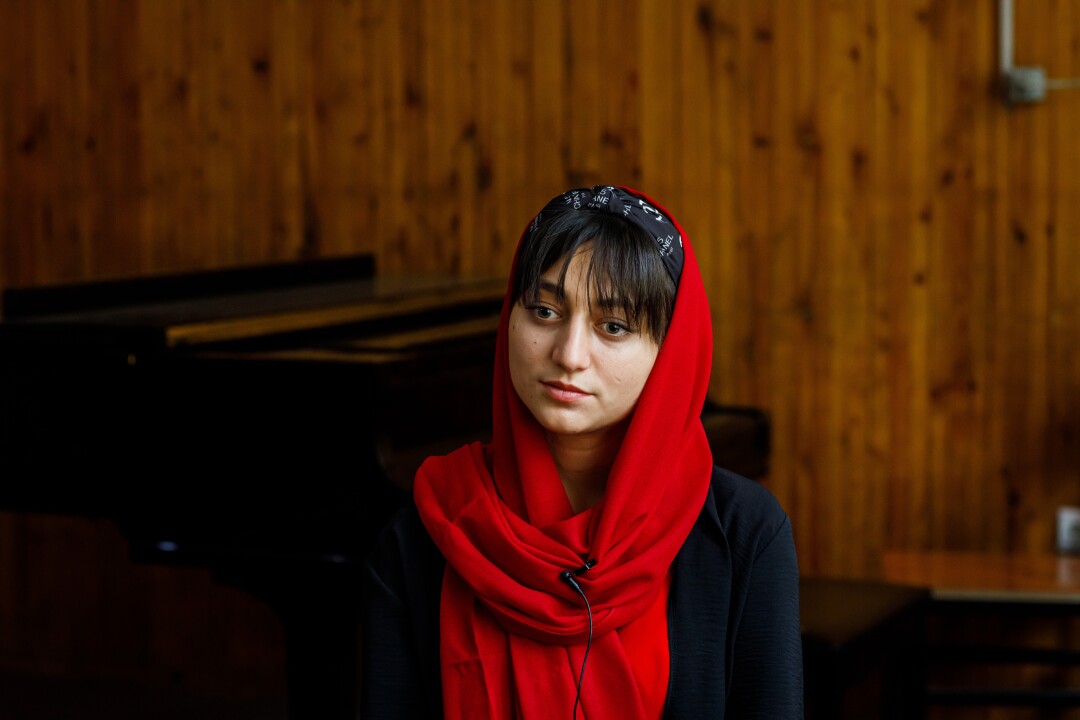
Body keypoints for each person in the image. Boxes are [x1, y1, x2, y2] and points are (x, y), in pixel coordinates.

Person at [362, 185, 802, 719]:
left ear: (672, 351)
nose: (569, 355)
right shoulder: (426, 533)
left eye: (613, 327)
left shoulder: (745, 535)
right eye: (544, 311)